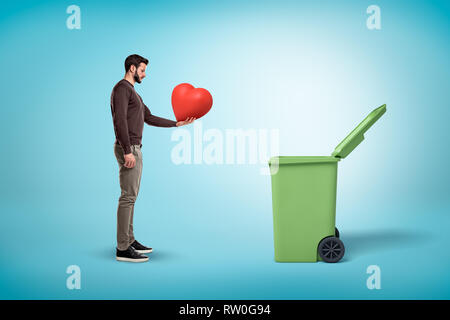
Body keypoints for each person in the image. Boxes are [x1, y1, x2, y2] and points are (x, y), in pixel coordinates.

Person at [110, 54, 195, 262]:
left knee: (132, 197)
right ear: (132, 68)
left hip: (134, 147)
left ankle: (129, 240)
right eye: (142, 70)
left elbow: (148, 117)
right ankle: (123, 248)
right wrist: (128, 150)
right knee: (127, 197)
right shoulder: (122, 89)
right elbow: (119, 119)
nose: (144, 74)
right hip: (129, 148)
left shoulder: (134, 94)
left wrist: (177, 124)